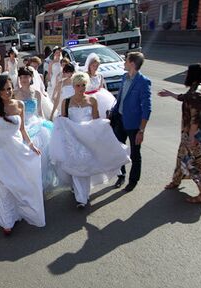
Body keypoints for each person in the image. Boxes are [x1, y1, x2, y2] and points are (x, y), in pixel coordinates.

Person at [0, 75, 45, 235]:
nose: (7, 92)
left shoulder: (19, 105)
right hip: (0, 151)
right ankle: (6, 221)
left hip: (17, 151)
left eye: (9, 88)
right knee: (3, 186)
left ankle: (17, 212)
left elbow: (22, 130)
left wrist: (31, 145)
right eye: (3, 90)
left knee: (18, 183)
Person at [51, 72, 131, 208]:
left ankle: (83, 194)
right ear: (73, 86)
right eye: (78, 85)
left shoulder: (92, 100)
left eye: (83, 85)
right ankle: (80, 198)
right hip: (73, 139)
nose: (81, 88)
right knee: (76, 166)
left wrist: (102, 129)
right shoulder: (67, 101)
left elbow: (96, 120)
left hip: (87, 138)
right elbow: (64, 120)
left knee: (86, 165)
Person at [158, 63, 201, 204]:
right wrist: (170, 94)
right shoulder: (198, 88)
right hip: (196, 132)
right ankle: (176, 181)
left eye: (187, 73)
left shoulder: (196, 94)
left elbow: (195, 119)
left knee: (195, 165)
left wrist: (191, 137)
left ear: (192, 75)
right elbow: (185, 98)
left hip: (196, 134)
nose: (185, 75)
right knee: (182, 157)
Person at [109, 51, 152, 192]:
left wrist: (142, 130)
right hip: (120, 120)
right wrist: (113, 112)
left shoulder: (143, 82)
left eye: (126, 60)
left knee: (135, 154)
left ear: (132, 63)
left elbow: (147, 108)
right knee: (118, 150)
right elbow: (120, 98)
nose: (124, 62)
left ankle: (133, 181)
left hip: (134, 125)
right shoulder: (124, 77)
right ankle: (121, 176)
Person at [13, 66, 57, 192]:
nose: (23, 79)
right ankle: (26, 181)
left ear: (31, 78)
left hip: (35, 122)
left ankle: (39, 180)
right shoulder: (15, 94)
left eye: (26, 77)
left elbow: (40, 112)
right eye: (21, 77)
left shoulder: (36, 93)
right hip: (21, 124)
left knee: (42, 152)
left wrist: (44, 123)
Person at [84, 53, 116, 119]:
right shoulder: (85, 76)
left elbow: (101, 88)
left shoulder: (100, 76)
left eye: (97, 66)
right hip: (87, 98)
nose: (95, 68)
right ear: (89, 65)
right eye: (93, 65)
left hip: (99, 98)